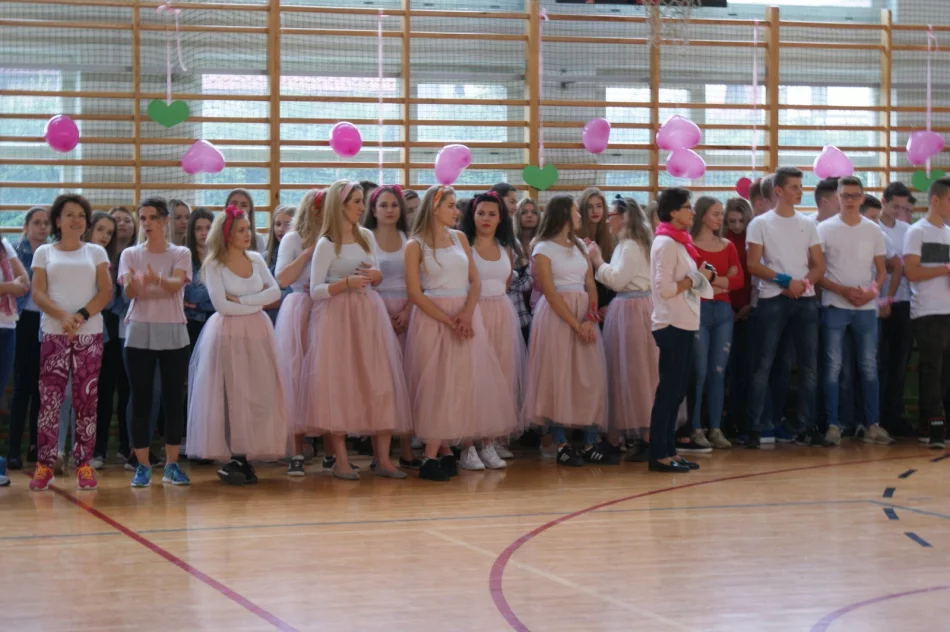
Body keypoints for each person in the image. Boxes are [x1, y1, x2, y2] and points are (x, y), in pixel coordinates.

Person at [403, 185, 517, 481]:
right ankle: (431, 454)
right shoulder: (415, 245)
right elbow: (415, 293)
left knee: (466, 381)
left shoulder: (460, 239)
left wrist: (466, 313)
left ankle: (462, 446)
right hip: (433, 317)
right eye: (451, 206)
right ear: (435, 208)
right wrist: (448, 320)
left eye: (456, 205)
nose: (457, 211)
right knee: (437, 383)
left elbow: (474, 281)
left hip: (465, 314)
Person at [305, 180, 411, 481]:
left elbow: (373, 274)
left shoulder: (365, 236)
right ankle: (340, 459)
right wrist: (345, 284)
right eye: (355, 201)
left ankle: (383, 459)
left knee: (378, 380)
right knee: (339, 384)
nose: (361, 207)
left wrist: (376, 276)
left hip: (368, 314)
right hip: (338, 317)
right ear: (340, 206)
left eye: (362, 201)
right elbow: (315, 290)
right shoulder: (327, 243)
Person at [187, 206, 288, 485]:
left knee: (258, 390)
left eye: (249, 229)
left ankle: (247, 452)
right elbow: (221, 306)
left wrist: (242, 301)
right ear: (227, 234)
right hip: (228, 334)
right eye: (241, 230)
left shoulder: (255, 259)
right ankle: (234, 456)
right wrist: (255, 304)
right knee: (233, 393)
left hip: (257, 332)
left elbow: (275, 291)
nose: (248, 234)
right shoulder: (215, 265)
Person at [28, 194, 112, 491]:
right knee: (50, 400)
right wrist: (63, 316)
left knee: (86, 400)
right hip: (54, 333)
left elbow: (105, 292)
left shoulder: (96, 253)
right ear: (58, 220)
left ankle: (84, 463)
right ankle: (45, 464)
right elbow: (38, 293)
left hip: (89, 334)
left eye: (80, 214)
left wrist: (80, 316)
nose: (75, 219)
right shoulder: (45, 253)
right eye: (68, 214)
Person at [522, 194, 611, 466]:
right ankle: (561, 443)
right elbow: (549, 291)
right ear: (564, 214)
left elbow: (591, 285)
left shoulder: (580, 247)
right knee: (558, 376)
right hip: (558, 316)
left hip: (584, 313)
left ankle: (589, 441)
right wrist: (575, 324)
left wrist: (590, 318)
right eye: (576, 211)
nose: (580, 215)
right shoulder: (543, 247)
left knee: (588, 377)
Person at [745, 167, 826, 448]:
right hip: (772, 299)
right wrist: (784, 281)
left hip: (803, 299)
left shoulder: (808, 223)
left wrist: (803, 284)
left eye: (800, 186)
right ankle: (755, 427)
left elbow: (819, 264)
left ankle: (805, 425)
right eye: (793, 186)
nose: (799, 191)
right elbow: (753, 264)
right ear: (778, 190)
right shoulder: (761, 224)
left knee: (808, 365)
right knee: (764, 364)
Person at [119, 198, 193, 487]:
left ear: (164, 221)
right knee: (141, 398)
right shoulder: (130, 254)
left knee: (173, 399)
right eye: (143, 218)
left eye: (152, 217)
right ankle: (142, 466)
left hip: (174, 330)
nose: (147, 223)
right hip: (139, 331)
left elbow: (176, 285)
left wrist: (155, 279)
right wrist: (138, 284)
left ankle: (172, 465)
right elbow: (130, 293)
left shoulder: (181, 252)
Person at [816, 177, 892, 446]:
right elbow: (817, 272)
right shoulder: (824, 229)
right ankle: (833, 424)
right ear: (837, 197)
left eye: (855, 195)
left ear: (862, 198)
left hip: (866, 308)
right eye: (845, 195)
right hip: (835, 305)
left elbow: (881, 271)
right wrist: (842, 290)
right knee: (833, 367)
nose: (850, 200)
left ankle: (873, 424)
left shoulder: (873, 230)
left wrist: (873, 291)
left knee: (869, 366)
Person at [458, 191, 527, 468]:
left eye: (492, 214)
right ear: (472, 216)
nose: (486, 219)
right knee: (472, 380)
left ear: (501, 218)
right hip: (474, 313)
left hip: (501, 314)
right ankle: (467, 445)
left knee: (500, 379)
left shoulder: (506, 249)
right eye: (481, 213)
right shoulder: (464, 246)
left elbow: (507, 282)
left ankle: (488, 442)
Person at [648, 187, 713, 473]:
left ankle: (670, 450)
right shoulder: (665, 243)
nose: (692, 212)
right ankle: (659, 455)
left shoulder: (679, 242)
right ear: (672, 211)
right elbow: (665, 289)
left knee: (676, 393)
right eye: (687, 207)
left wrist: (697, 276)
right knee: (668, 392)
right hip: (671, 323)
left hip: (684, 322)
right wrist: (697, 278)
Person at [587, 197, 657, 459]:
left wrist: (597, 261)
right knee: (636, 371)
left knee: (635, 372)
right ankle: (632, 436)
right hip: (633, 308)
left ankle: (645, 437)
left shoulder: (630, 245)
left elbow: (617, 281)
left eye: (611, 214)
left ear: (624, 217)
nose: (608, 219)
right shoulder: (635, 244)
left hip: (632, 310)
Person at [361, 185, 422, 469]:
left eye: (393, 205)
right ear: (373, 210)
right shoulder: (365, 239)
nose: (389, 210)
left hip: (409, 314)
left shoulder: (409, 238)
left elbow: (419, 281)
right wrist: (383, 313)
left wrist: (409, 309)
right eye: (383, 205)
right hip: (376, 312)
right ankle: (379, 454)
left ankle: (406, 448)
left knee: (408, 379)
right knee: (381, 385)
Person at [688, 197, 744, 450]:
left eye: (721, 214)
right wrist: (723, 279)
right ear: (702, 216)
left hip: (722, 311)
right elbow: (694, 281)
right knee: (698, 372)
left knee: (717, 372)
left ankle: (715, 427)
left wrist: (714, 278)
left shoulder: (728, 245)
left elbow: (739, 280)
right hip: (698, 309)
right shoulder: (690, 246)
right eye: (715, 214)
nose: (720, 219)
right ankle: (695, 428)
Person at [275, 189, 322, 476]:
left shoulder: (337, 237)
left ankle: (331, 451)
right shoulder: (293, 239)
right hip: (300, 308)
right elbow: (282, 278)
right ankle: (296, 450)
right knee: (297, 375)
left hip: (328, 306)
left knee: (325, 375)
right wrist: (307, 253)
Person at [902, 176, 950, 448]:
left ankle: (942, 424)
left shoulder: (949, 232)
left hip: (948, 310)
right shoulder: (916, 231)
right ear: (936, 199)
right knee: (932, 368)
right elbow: (912, 271)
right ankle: (931, 425)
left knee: (947, 371)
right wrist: (945, 269)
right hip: (927, 311)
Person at [7, 206, 49, 471]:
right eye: (36, 222)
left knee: (42, 388)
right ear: (26, 226)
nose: (42, 227)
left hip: (46, 322)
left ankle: (36, 446)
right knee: (22, 387)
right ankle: (13, 449)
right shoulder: (14, 251)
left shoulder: (52, 253)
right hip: (22, 322)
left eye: (46, 223)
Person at [878, 182, 915, 435]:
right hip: (874, 302)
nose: (899, 212)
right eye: (894, 206)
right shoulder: (871, 227)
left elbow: (908, 267)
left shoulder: (909, 230)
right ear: (884, 202)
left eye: (904, 207)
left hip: (904, 302)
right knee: (876, 361)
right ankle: (874, 416)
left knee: (899, 362)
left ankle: (894, 415)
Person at [0, 228, 31, 484]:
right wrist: (8, 286)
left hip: (6, 327)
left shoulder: (4, 245)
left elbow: (25, 283)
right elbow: (15, 285)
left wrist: (9, 287)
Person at [724, 197, 753, 437]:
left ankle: (740, 416)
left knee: (744, 367)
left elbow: (755, 274)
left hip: (748, 309)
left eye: (740, 221)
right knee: (723, 367)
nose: (736, 225)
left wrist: (749, 306)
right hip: (725, 309)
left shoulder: (751, 241)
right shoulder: (724, 241)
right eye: (731, 221)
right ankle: (726, 417)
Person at [511, 197, 540, 343]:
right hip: (518, 303)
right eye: (524, 212)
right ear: (517, 216)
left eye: (534, 212)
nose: (529, 215)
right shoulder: (511, 243)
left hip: (540, 301)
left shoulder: (544, 242)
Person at [264, 204, 295, 324]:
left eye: (287, 224)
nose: (281, 229)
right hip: (267, 320)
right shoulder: (264, 258)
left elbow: (292, 293)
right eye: (277, 224)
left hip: (290, 318)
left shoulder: (300, 259)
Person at [224, 189, 267, 253]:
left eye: (244, 205)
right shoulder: (217, 238)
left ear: (250, 210)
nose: (238, 208)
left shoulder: (258, 239)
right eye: (233, 204)